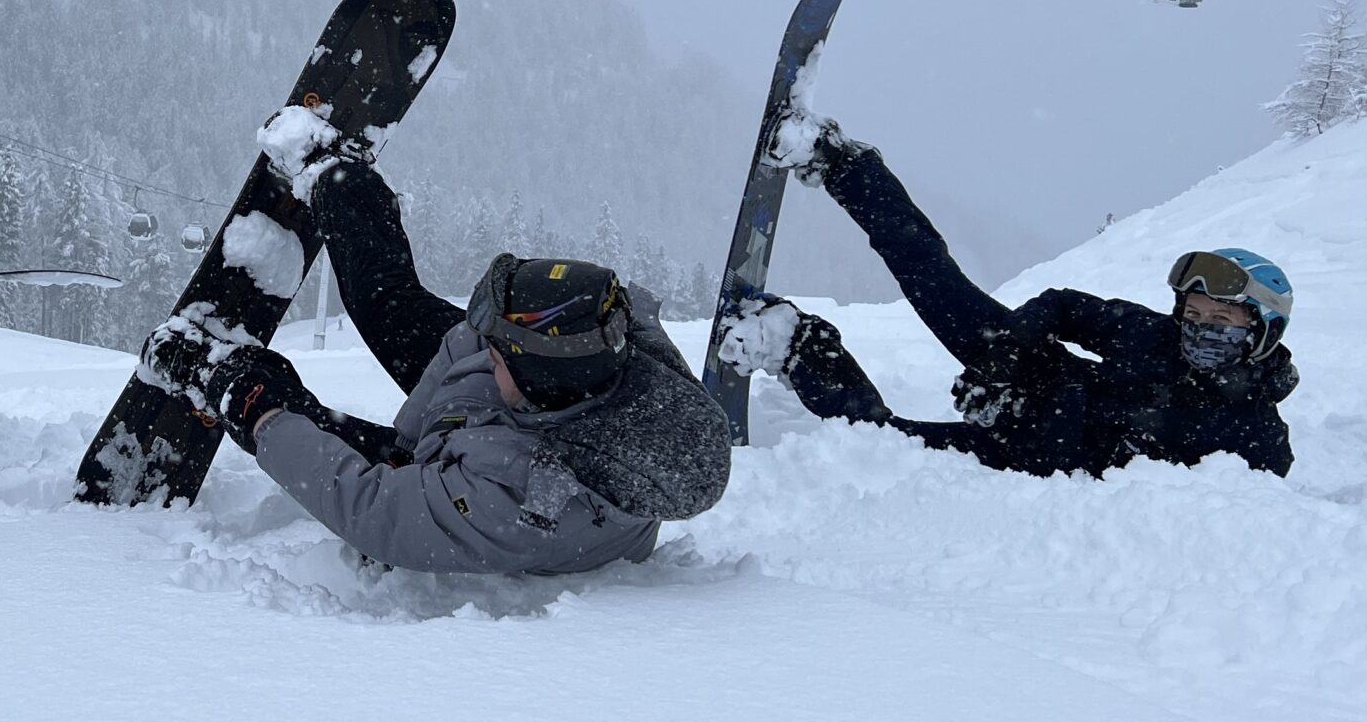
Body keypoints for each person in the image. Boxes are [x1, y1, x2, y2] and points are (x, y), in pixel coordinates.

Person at [165, 150, 732, 575]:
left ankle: (222, 381)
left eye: (500, 349)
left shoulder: (529, 506)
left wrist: (257, 410)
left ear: (540, 376)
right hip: (499, 427)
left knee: (290, 418)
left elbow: (371, 510)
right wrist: (417, 430)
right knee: (387, 303)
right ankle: (340, 177)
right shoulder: (611, 360)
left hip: (489, 467)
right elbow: (474, 342)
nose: (485, 348)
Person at [720, 114, 1298, 477]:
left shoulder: (1259, 441)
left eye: (1219, 318)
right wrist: (1004, 361)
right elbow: (1065, 307)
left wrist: (1018, 422)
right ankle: (839, 161)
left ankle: (794, 344)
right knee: (932, 276)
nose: (1197, 327)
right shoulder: (1156, 337)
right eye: (1191, 312)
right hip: (1033, 374)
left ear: (1262, 332)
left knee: (880, 441)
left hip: (1021, 457)